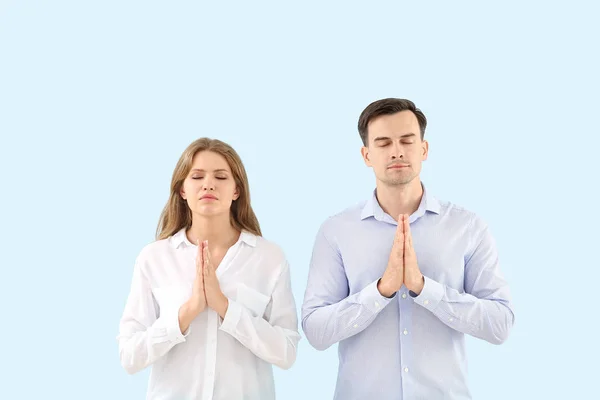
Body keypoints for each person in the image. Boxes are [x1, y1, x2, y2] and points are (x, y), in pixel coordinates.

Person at [301, 98, 515, 400]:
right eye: (384, 142)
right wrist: (380, 291)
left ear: (424, 149)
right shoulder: (336, 231)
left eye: (406, 141)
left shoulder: (467, 227)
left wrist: (424, 288)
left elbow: (500, 324)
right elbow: (315, 331)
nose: (397, 151)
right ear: (366, 155)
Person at [117, 138, 300, 400]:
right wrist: (187, 312)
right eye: (197, 176)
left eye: (221, 176)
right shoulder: (153, 258)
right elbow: (129, 356)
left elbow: (286, 352)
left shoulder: (269, 258)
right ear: (182, 190)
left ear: (237, 190)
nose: (209, 184)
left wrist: (226, 308)